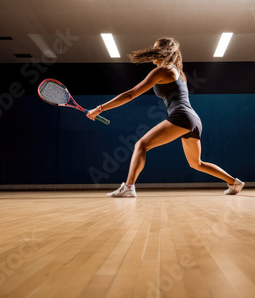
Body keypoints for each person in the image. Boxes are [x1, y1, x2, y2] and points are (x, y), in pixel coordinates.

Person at [86, 37, 244, 197]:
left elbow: (131, 94)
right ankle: (234, 182)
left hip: (181, 117)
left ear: (163, 52)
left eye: (155, 49)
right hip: (194, 120)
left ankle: (128, 187)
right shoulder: (178, 73)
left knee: (141, 145)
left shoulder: (162, 71)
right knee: (196, 163)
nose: (153, 52)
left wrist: (100, 108)